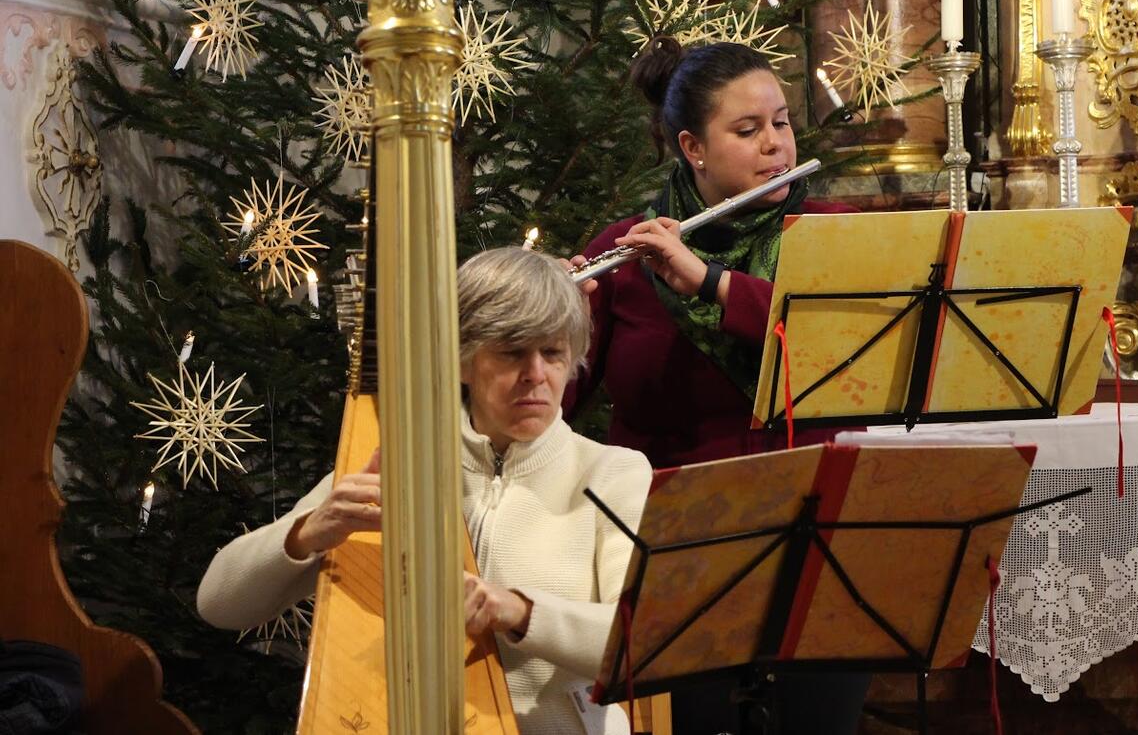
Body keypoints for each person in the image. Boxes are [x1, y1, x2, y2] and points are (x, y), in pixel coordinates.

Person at [196, 248, 652, 735]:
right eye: (512, 351)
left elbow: (644, 639)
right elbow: (219, 604)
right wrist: (309, 532)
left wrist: (517, 610)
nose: (536, 375)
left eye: (553, 353)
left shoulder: (613, 473)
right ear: (461, 361)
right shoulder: (400, 465)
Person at [565, 36, 867, 734]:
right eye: (748, 129)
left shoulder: (832, 236)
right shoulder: (628, 250)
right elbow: (551, 411)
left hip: (815, 556)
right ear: (692, 149)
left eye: (782, 122)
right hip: (674, 562)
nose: (777, 146)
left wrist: (708, 281)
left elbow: (835, 344)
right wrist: (561, 331)